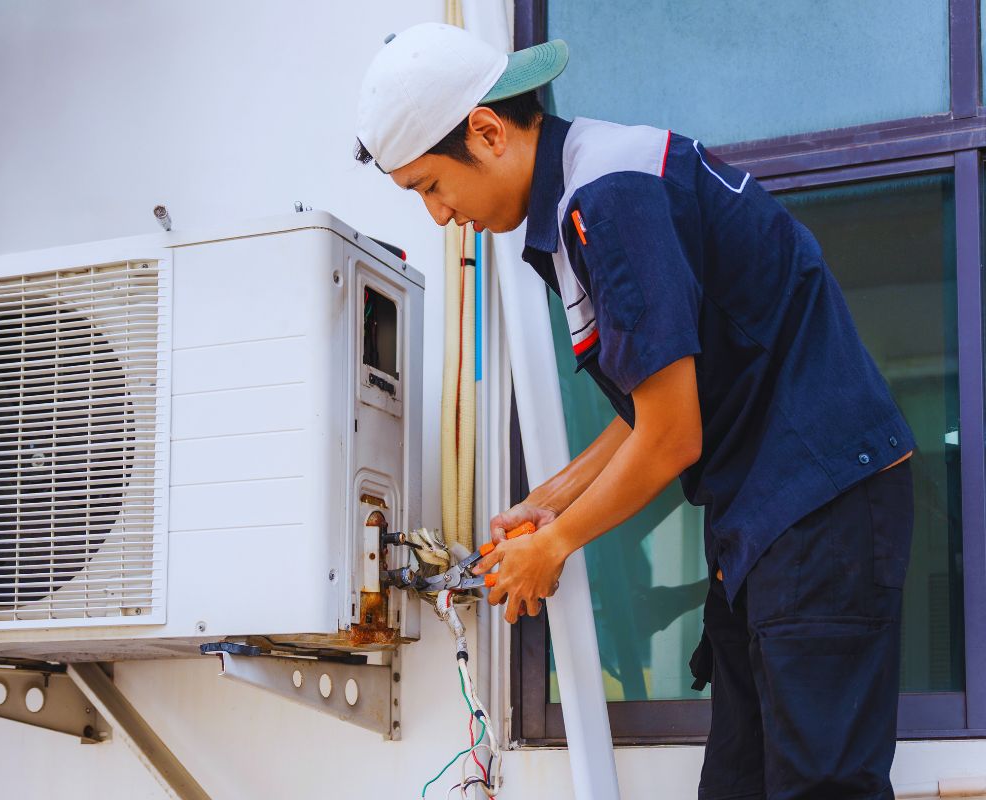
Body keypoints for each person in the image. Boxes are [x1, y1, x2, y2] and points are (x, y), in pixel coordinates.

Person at [355, 22, 915, 800]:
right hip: (767, 516)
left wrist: (558, 547)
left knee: (822, 787)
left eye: (429, 187)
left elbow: (672, 437)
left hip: (817, 503)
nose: (439, 216)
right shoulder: (585, 194)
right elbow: (659, 397)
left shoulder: (609, 195)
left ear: (486, 133)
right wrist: (549, 503)